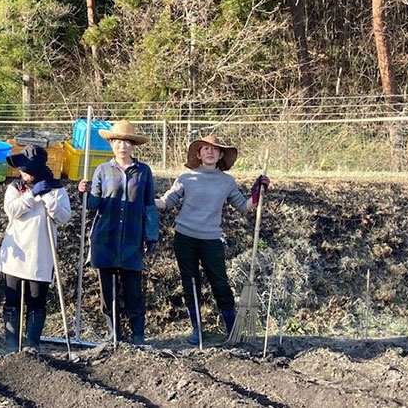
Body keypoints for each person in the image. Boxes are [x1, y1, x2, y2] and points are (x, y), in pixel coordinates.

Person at [155, 135, 269, 345]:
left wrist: (257, 192)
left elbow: (243, 207)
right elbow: (166, 202)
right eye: (205, 148)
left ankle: (232, 329)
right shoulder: (186, 178)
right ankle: (197, 330)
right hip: (185, 237)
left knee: (220, 283)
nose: (210, 152)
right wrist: (143, 200)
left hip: (211, 239)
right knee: (190, 283)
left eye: (214, 149)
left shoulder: (227, 181)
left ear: (221, 155)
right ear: (198, 154)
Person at [78, 120, 158, 345]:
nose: (122, 146)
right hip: (105, 238)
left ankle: (138, 335)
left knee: (133, 288)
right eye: (118, 142)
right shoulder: (102, 170)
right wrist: (83, 192)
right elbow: (93, 204)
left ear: (133, 145)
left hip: (132, 238)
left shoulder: (143, 171)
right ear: (111, 143)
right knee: (108, 290)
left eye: (127, 142)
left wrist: (151, 235)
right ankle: (114, 333)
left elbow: (149, 204)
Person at [0, 145, 72, 351]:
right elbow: (11, 210)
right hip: (16, 251)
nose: (22, 172)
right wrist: (31, 196)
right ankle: (12, 345)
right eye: (21, 169)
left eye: (26, 169)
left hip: (41, 253)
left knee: (36, 300)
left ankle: (32, 346)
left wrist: (48, 198)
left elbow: (64, 217)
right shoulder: (15, 188)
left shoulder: (56, 188)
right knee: (12, 299)